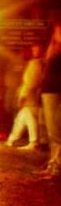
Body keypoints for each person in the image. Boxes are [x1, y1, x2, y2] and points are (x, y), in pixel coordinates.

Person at [6, 43, 44, 150]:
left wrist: (23, 95)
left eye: (36, 50)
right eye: (33, 50)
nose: (34, 52)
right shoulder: (37, 62)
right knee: (23, 116)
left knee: (28, 115)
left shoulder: (35, 63)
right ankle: (11, 140)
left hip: (31, 95)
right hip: (31, 93)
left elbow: (31, 82)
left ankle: (34, 142)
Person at [39, 24, 61, 180]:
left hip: (58, 92)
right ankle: (52, 165)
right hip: (48, 92)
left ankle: (57, 167)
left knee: (58, 130)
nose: (56, 32)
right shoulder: (53, 51)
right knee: (52, 132)